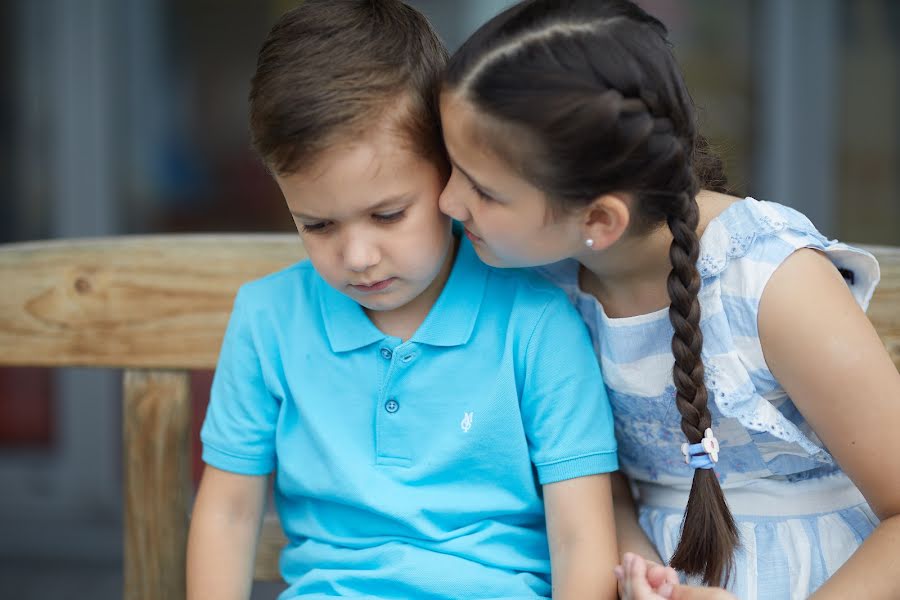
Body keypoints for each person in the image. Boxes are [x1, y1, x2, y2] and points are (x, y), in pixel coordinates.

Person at [436, 0, 900, 598]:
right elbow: (606, 487)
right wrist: (644, 576)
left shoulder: (768, 283)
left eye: (483, 190)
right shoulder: (547, 283)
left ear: (599, 219)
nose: (447, 202)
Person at [186, 2, 620, 599]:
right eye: (318, 225)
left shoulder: (537, 324)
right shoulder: (269, 321)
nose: (358, 255)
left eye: (388, 214)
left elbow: (581, 537)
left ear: (450, 170)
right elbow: (228, 514)